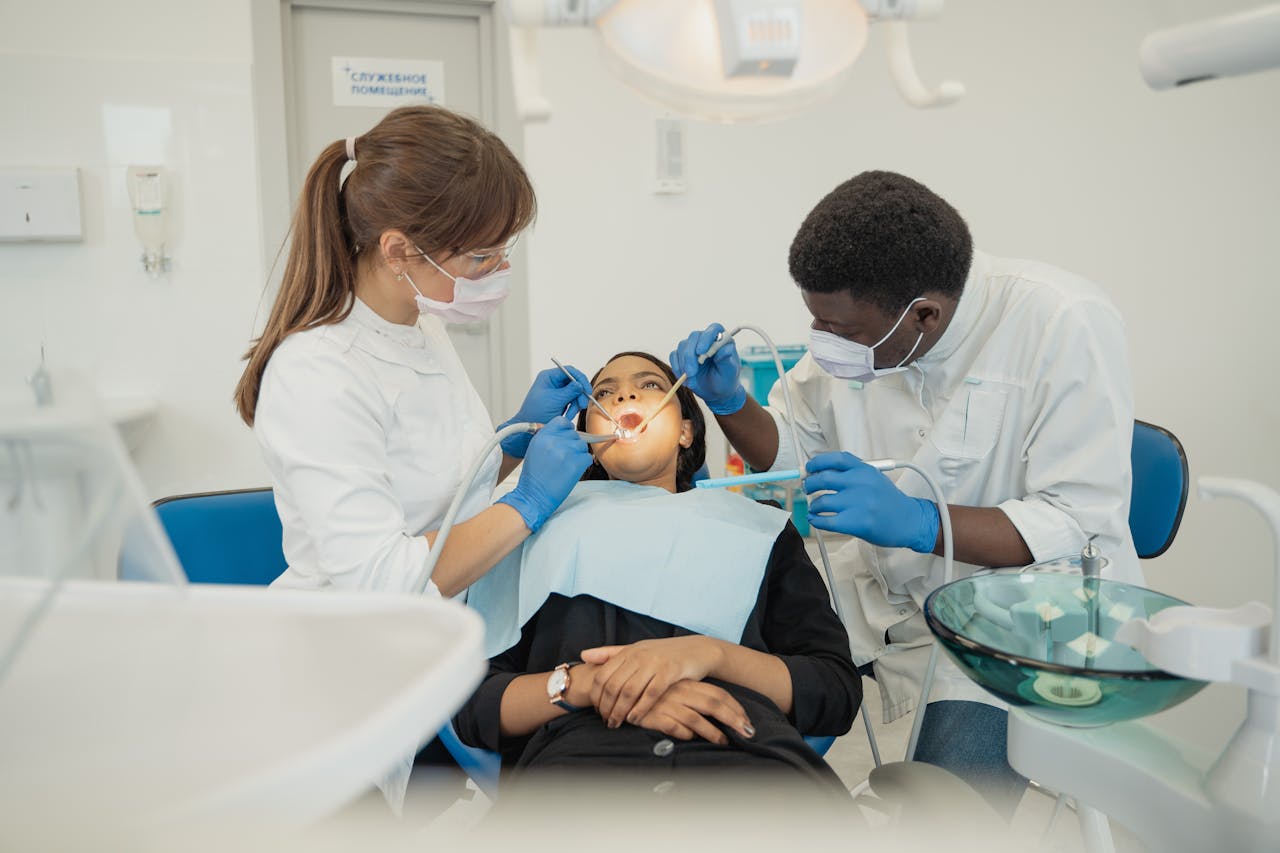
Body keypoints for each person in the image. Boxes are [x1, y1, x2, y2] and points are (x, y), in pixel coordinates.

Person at [671, 170, 1138, 817]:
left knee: (940, 811)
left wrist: (920, 520)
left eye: (841, 330)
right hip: (885, 601)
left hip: (1021, 619)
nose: (824, 341)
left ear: (924, 316)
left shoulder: (1061, 324)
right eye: (815, 320)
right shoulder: (865, 331)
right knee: (745, 757)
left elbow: (1077, 519)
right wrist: (730, 402)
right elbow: (789, 451)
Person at [455, 352, 861, 802]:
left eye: (648, 385)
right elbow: (472, 704)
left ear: (687, 430)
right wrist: (586, 685)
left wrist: (710, 657)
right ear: (589, 437)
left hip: (751, 763)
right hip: (578, 773)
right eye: (604, 392)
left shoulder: (758, 528)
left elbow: (834, 690)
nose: (625, 394)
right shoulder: (529, 528)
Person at [233, 105, 594, 601]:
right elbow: (383, 580)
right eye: (481, 256)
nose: (499, 268)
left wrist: (513, 441)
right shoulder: (317, 373)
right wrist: (527, 503)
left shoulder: (420, 323)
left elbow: (441, 497)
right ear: (399, 251)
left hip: (445, 629)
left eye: (502, 250)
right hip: (352, 649)